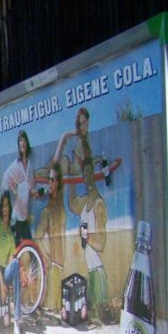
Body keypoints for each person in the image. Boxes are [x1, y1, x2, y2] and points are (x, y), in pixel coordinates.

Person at [55, 107, 109, 317]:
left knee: (99, 315)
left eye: (83, 123)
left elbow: (102, 244)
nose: (81, 128)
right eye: (78, 124)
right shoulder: (85, 203)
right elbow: (70, 204)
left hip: (97, 273)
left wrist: (87, 237)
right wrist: (68, 179)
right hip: (90, 271)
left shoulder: (98, 205)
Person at [34, 161, 66, 317]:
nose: (50, 182)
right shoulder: (47, 211)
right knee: (54, 313)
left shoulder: (59, 205)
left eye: (53, 180)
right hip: (53, 265)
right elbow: (37, 236)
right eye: (49, 179)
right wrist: (45, 257)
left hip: (61, 264)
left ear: (58, 183)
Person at [0, 190, 22, 334]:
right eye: (2, 206)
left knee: (16, 263)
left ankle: (17, 323)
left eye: (7, 206)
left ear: (10, 208)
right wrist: (2, 284)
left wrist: (8, 283)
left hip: (6, 270)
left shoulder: (10, 232)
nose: (4, 209)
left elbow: (11, 258)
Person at [1, 130, 36, 244]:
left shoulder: (29, 165)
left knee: (30, 247)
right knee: (16, 250)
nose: (22, 143)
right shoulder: (16, 165)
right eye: (20, 141)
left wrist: (40, 192)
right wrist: (12, 192)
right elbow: (6, 177)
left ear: (27, 143)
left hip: (24, 216)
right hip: (16, 217)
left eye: (24, 140)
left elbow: (31, 189)